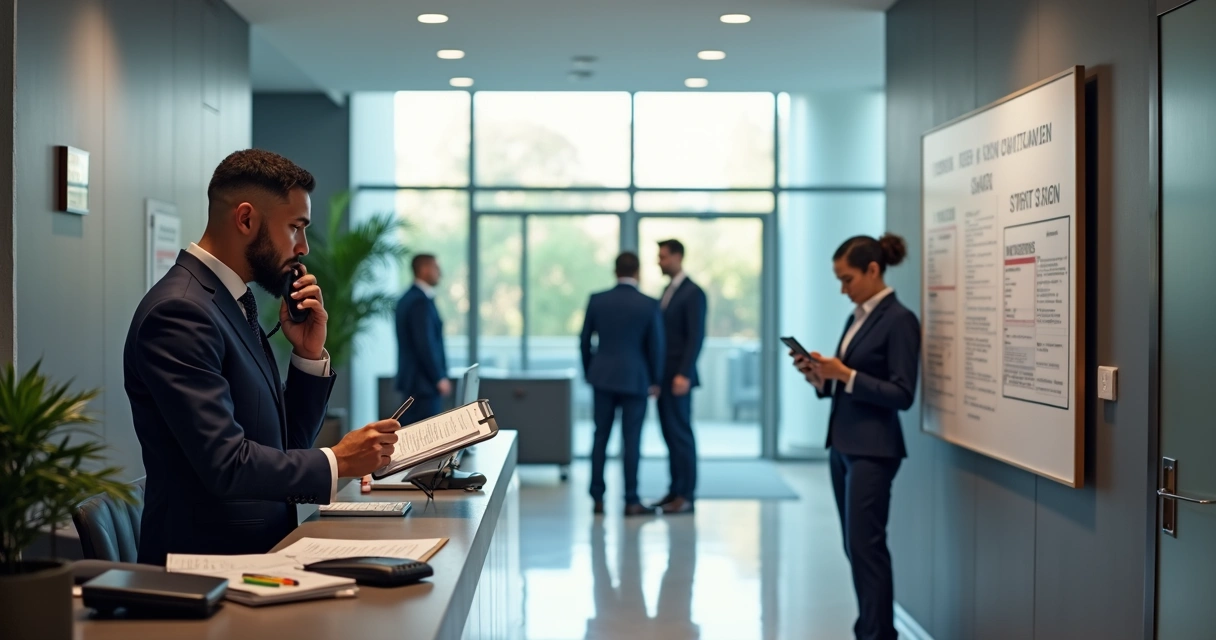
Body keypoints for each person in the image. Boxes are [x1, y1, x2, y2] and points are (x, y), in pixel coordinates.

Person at [124, 149, 400, 565]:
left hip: (257, 559)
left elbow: (284, 444)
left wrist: (308, 355)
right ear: (247, 219)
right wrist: (338, 460)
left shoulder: (232, 303)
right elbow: (227, 464)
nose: (304, 247)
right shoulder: (180, 312)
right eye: (295, 228)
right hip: (203, 576)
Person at [789, 233, 920, 640]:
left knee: (867, 548)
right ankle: (870, 628)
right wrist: (819, 375)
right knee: (855, 547)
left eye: (847, 279)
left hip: (874, 450)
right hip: (843, 444)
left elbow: (902, 394)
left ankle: (878, 634)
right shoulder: (857, 317)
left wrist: (844, 373)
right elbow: (843, 383)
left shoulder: (900, 320)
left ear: (873, 270)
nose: (842, 289)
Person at [580, 251, 665, 517]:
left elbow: (584, 341)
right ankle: (631, 500)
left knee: (600, 437)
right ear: (637, 272)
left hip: (602, 377)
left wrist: (590, 371)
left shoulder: (597, 300)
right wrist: (655, 379)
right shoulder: (649, 304)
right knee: (632, 441)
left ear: (615, 271)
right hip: (635, 379)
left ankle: (597, 498)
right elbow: (656, 346)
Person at [649, 239, 707, 515]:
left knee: (681, 435)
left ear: (678, 257)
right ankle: (674, 491)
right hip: (665, 378)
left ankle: (687, 495)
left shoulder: (693, 292)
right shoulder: (667, 291)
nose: (659, 262)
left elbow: (696, 336)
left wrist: (684, 373)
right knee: (670, 435)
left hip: (679, 378)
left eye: (663, 257)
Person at [394, 254, 450, 426]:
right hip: (423, 384)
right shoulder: (419, 301)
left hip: (415, 382)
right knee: (424, 438)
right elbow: (425, 344)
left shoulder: (408, 298)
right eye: (436, 268)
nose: (440, 273)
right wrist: (438, 377)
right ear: (424, 269)